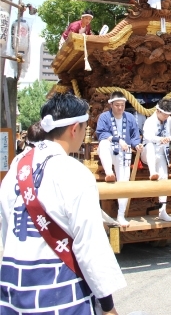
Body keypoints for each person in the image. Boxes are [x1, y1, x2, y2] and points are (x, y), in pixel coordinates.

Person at [0, 93, 126, 314]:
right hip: (59, 290)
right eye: (86, 128)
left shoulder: (18, 165)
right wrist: (107, 306)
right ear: (74, 128)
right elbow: (90, 245)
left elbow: (6, 223)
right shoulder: (73, 171)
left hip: (12, 286)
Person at [95, 91, 143, 227]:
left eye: (122, 105)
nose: (120, 108)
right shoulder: (104, 117)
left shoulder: (130, 118)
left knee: (124, 184)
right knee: (104, 143)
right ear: (111, 105)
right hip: (110, 149)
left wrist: (137, 144)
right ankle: (109, 172)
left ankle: (121, 215)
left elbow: (134, 135)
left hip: (124, 152)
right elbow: (101, 133)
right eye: (117, 105)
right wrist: (117, 139)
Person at [141, 98, 171, 222]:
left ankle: (163, 210)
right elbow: (148, 136)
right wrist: (160, 139)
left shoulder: (169, 120)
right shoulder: (149, 121)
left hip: (162, 153)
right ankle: (152, 173)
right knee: (150, 145)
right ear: (158, 111)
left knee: (164, 180)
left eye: (168, 115)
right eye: (165, 114)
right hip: (148, 153)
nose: (166, 117)